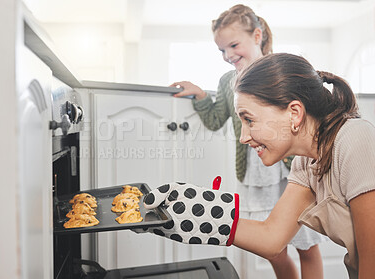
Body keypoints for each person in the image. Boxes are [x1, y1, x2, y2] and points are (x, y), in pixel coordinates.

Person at [144, 53, 375, 279]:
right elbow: (272, 238)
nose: (243, 137)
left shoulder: (355, 139)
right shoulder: (305, 162)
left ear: (294, 113)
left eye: (249, 120)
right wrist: (190, 215)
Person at [169, 4, 326, 278]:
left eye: (233, 45)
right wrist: (201, 96)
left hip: (290, 174)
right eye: (221, 50)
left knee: (307, 246)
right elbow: (217, 119)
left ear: (257, 35)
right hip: (255, 176)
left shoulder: (282, 70)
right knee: (273, 250)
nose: (228, 55)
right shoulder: (227, 80)